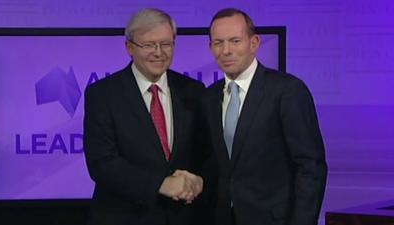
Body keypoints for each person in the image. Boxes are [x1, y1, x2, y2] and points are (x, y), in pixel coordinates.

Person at [203, 8, 328, 225]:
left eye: (235, 41)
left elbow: (310, 167)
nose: (226, 50)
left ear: (254, 43)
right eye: (218, 43)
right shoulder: (209, 96)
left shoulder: (287, 90)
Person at [83, 8, 205, 225]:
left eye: (166, 44)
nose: (158, 52)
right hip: (124, 217)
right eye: (149, 45)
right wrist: (161, 184)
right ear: (129, 47)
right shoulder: (103, 94)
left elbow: (204, 153)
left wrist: (199, 180)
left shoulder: (194, 90)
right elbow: (102, 163)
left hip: (183, 217)